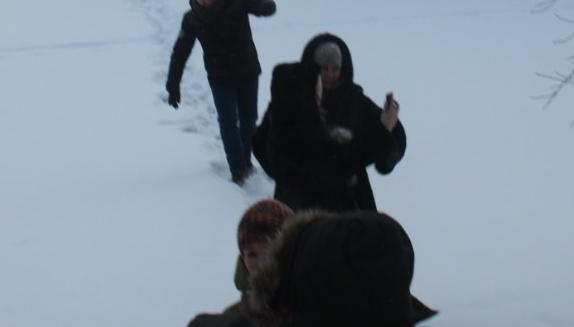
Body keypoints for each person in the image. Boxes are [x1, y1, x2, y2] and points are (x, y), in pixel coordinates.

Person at [252, 33, 405, 210]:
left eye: (335, 68)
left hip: (349, 200)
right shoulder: (290, 104)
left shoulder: (355, 100)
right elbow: (261, 140)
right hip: (299, 205)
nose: (329, 74)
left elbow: (394, 134)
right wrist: (287, 172)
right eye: (323, 68)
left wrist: (388, 157)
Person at [166, 0, 277, 183]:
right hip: (220, 77)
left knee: (248, 120)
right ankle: (237, 168)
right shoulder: (191, 19)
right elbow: (180, 53)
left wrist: (266, 6)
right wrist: (173, 84)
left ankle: (245, 157)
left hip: (247, 71)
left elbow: (258, 5)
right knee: (227, 122)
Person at [243, 210, 437, 327]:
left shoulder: (305, 284)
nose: (259, 260)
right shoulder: (247, 312)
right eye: (250, 253)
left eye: (268, 247)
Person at [187, 199, 295, 327]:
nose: (262, 262)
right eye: (252, 254)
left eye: (271, 251)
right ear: (242, 260)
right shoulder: (232, 316)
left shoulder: (317, 309)